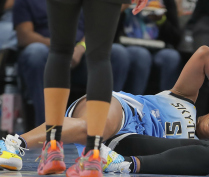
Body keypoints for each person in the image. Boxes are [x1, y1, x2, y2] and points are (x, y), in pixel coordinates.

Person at [1, 45, 209, 175]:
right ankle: (14, 144)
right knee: (95, 127)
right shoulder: (186, 97)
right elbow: (204, 53)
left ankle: (115, 163)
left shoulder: (197, 146)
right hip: (123, 110)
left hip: (122, 143)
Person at [13, 0, 147, 127]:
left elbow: (99, 24)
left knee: (117, 54)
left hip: (83, 51)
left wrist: (81, 48)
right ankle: (46, 129)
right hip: (47, 50)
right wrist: (63, 48)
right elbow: (24, 35)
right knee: (36, 52)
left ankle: (107, 127)